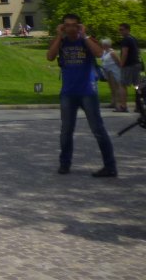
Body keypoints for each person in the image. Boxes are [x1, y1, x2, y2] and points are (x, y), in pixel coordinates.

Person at [46, 13, 117, 177]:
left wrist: (84, 35)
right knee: (66, 130)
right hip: (68, 92)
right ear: (63, 26)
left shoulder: (87, 40)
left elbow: (99, 54)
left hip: (88, 91)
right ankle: (64, 164)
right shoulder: (61, 41)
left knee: (98, 129)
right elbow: (50, 56)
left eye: (73, 25)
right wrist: (59, 36)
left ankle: (110, 166)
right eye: (67, 25)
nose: (70, 28)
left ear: (79, 26)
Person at [115, 23, 142, 113]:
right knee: (137, 85)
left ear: (127, 30)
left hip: (128, 65)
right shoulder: (133, 38)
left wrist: (121, 64)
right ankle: (139, 105)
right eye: (119, 30)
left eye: (122, 29)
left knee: (122, 85)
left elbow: (125, 53)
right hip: (136, 64)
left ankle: (123, 106)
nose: (120, 31)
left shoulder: (126, 40)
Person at [100, 39, 121, 108]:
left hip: (113, 71)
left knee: (116, 87)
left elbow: (119, 62)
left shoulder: (112, 53)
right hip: (107, 71)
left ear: (106, 45)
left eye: (103, 44)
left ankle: (117, 103)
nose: (102, 45)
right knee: (111, 87)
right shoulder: (104, 52)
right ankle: (113, 102)